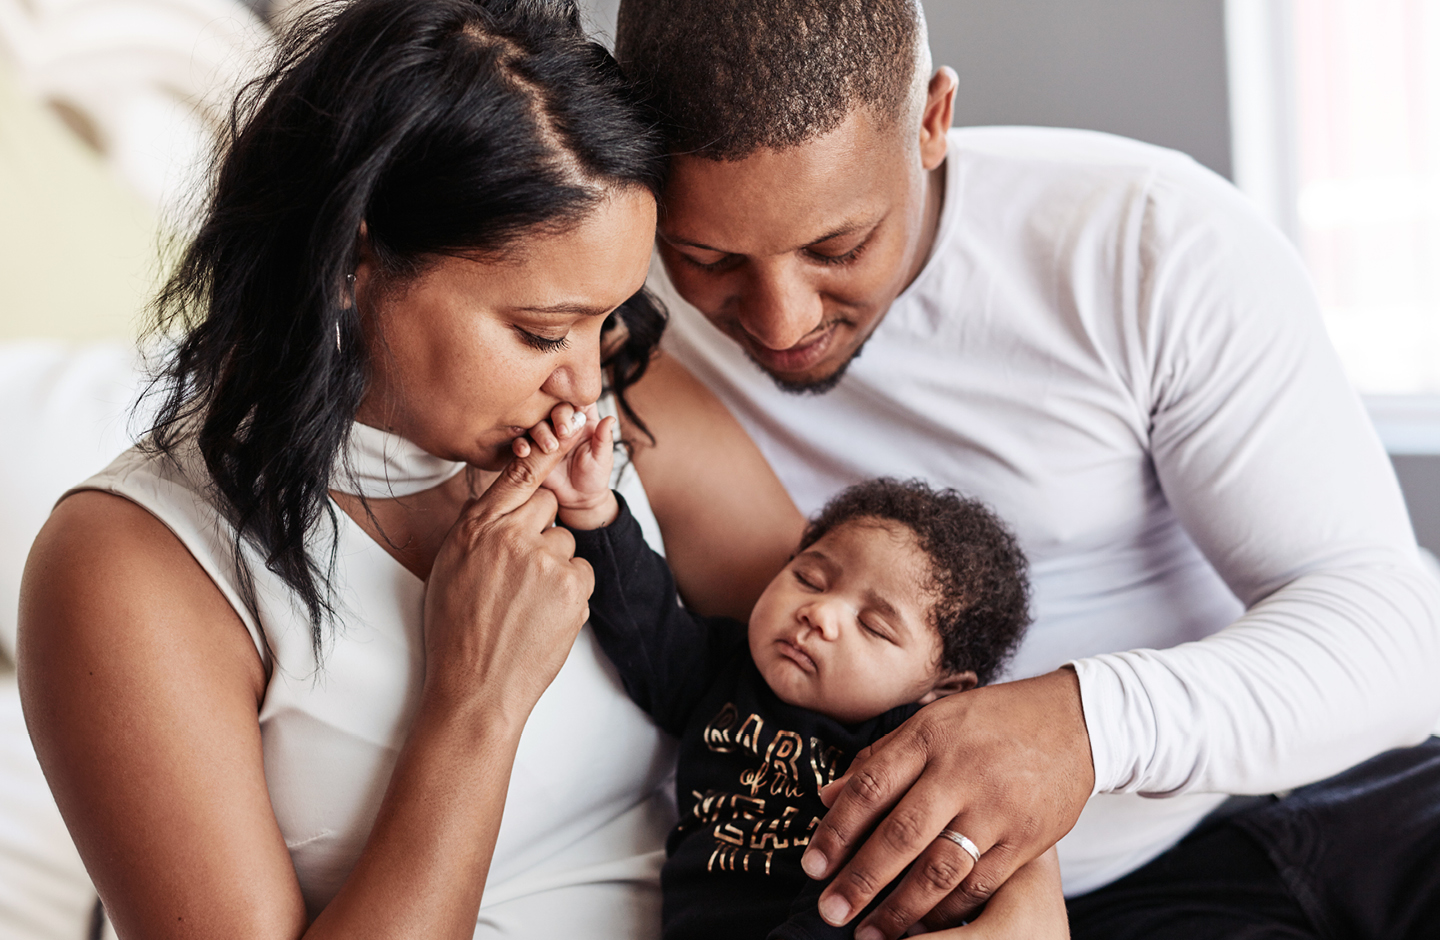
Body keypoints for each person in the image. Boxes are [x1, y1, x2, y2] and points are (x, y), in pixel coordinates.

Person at [612, 0, 1440, 937]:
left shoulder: (1147, 240)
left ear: (932, 120)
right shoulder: (622, 314)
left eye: (838, 248)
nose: (780, 321)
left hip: (1348, 791)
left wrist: (1084, 726)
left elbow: (1394, 628)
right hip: (1094, 902)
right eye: (708, 258)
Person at [17, 2, 806, 937]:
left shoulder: (621, 408)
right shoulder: (134, 567)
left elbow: (868, 667)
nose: (585, 383)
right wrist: (476, 699)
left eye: (609, 320)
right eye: (541, 332)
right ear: (350, 262)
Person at [543, 406, 1054, 939]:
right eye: (809, 578)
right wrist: (592, 510)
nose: (819, 614)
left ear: (943, 688)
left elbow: (858, 899)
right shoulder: (723, 671)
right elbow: (646, 620)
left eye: (874, 626)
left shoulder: (904, 754)